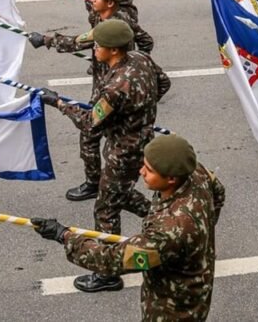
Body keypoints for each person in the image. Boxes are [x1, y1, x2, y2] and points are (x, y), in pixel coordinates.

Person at [37, 19, 172, 292]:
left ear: (113, 50)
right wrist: (140, 112)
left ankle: (107, 273)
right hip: (142, 142)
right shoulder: (141, 59)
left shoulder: (117, 86)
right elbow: (164, 84)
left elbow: (90, 123)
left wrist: (59, 103)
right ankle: (162, 218)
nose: (94, 49)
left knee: (106, 208)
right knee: (117, 192)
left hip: (123, 151)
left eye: (98, 45)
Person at [31, 134, 224, 317]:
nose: (141, 172)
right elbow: (219, 192)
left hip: (173, 307)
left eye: (149, 170)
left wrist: (64, 236)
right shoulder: (196, 172)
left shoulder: (170, 229)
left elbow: (113, 260)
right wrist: (201, 232)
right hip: (193, 280)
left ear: (171, 178)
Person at [28, 0, 153, 201]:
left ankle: (94, 184)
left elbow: (78, 42)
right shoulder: (120, 24)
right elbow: (146, 43)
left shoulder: (110, 30)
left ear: (110, 3)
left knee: (90, 134)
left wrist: (58, 102)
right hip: (111, 82)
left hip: (109, 90)